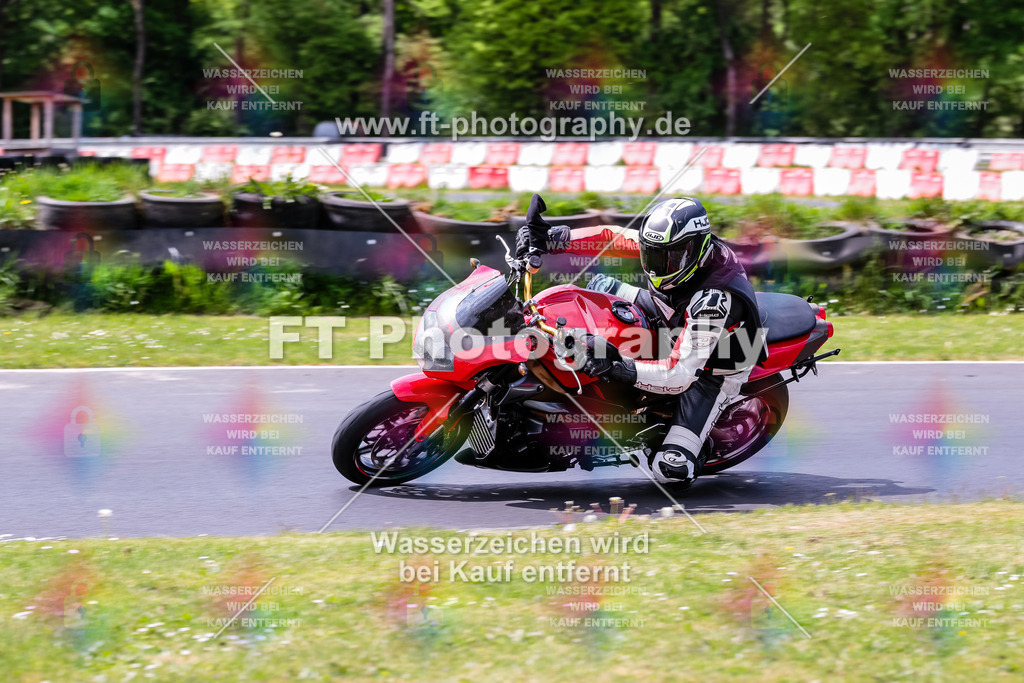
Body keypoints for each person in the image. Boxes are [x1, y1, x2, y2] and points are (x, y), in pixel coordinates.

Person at [515, 194, 765, 487]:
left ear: (693, 249)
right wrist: (553, 238)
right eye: (652, 255)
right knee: (596, 288)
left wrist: (616, 366)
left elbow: (679, 375)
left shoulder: (713, 300)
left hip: (715, 365)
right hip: (668, 311)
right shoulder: (675, 246)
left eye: (667, 258)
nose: (656, 266)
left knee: (670, 469)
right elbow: (612, 239)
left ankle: (699, 444)